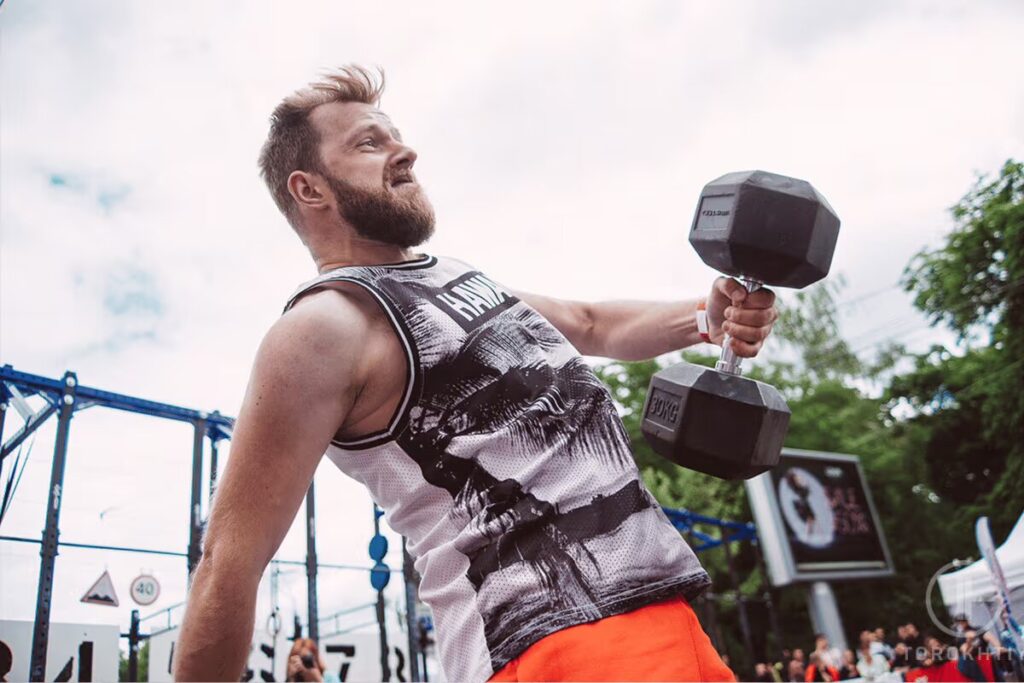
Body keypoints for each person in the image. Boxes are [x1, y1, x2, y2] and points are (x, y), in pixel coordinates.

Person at [171, 66, 779, 682]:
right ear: (310, 190)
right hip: (553, 641)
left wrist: (709, 315)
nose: (404, 151)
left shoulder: (456, 278)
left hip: (659, 612)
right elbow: (228, 563)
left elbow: (591, 324)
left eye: (394, 134)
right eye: (367, 143)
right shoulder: (324, 326)